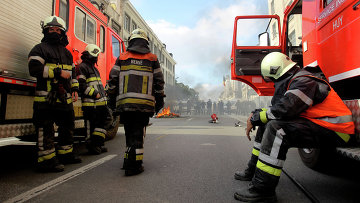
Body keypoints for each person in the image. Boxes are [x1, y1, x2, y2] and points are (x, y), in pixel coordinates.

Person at [233, 52, 355, 202]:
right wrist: (255, 115)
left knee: (276, 129)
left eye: (272, 80)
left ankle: (263, 190)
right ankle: (253, 171)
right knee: (266, 124)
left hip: (336, 130)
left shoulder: (304, 81)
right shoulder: (295, 80)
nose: (273, 84)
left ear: (276, 73)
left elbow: (286, 109)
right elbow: (278, 109)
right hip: (321, 124)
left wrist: (257, 117)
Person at [107, 28, 165, 176]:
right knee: (138, 136)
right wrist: (159, 101)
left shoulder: (122, 57)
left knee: (128, 134)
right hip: (144, 107)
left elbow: (113, 80)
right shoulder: (152, 59)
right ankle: (134, 166)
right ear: (146, 42)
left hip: (125, 105)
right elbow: (159, 82)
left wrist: (111, 100)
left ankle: (127, 161)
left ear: (131, 41)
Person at [28, 16, 82, 172]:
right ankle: (46, 160)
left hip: (64, 98)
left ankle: (66, 154)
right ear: (46, 31)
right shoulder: (39, 49)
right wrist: (57, 72)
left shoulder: (67, 53)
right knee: (46, 129)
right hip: (45, 98)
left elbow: (72, 74)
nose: (54, 32)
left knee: (68, 125)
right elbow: (34, 69)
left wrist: (75, 89)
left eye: (57, 30)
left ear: (62, 33)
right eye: (51, 29)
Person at [77, 44, 109, 155]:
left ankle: (98, 144)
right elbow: (81, 86)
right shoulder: (82, 67)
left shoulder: (94, 69)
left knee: (100, 125)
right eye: (96, 55)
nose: (97, 57)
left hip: (100, 104)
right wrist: (95, 94)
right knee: (91, 126)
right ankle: (91, 146)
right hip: (90, 105)